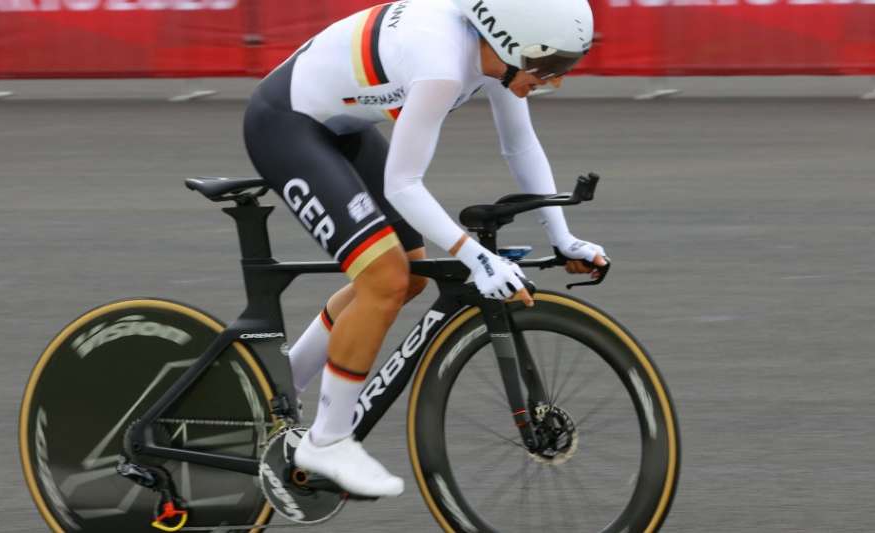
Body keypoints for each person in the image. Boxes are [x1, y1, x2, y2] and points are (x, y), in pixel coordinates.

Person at [243, 0, 608, 498]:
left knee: (410, 277)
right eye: (551, 67)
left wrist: (562, 236)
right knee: (385, 279)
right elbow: (403, 184)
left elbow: (519, 146)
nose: (555, 80)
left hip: (343, 129)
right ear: (510, 42)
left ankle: (275, 391)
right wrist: (474, 257)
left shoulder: (493, 55)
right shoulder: (441, 63)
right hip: (286, 125)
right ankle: (326, 441)